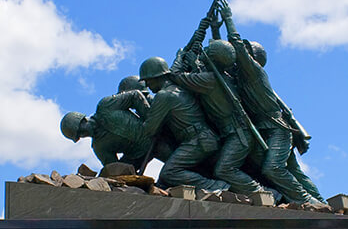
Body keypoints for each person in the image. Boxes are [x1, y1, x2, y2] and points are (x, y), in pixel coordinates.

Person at [217, 0, 325, 207]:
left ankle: (309, 203)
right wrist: (215, 30)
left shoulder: (254, 73)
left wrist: (228, 20)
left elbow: (236, 48)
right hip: (266, 130)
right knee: (293, 170)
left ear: (252, 58)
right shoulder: (241, 76)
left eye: (246, 52)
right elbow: (224, 55)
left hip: (278, 129)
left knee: (273, 168)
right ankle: (320, 202)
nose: (239, 55)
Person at [169, 26, 266, 195]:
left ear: (212, 59)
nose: (204, 51)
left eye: (207, 51)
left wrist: (179, 56)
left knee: (224, 170)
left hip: (238, 135)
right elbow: (217, 54)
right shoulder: (224, 77)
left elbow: (176, 75)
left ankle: (265, 194)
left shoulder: (209, 80)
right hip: (233, 134)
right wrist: (209, 30)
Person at [139, 55, 229, 192]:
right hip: (200, 139)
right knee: (165, 180)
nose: (147, 86)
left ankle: (216, 187)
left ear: (157, 77)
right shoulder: (178, 90)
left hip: (198, 141)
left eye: (148, 80)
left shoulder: (164, 96)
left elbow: (149, 129)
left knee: (169, 173)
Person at [60, 79, 153, 171]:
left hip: (157, 136)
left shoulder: (105, 106)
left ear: (83, 120)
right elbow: (114, 168)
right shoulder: (99, 147)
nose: (83, 134)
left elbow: (135, 96)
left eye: (80, 131)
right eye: (79, 136)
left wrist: (152, 121)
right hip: (140, 155)